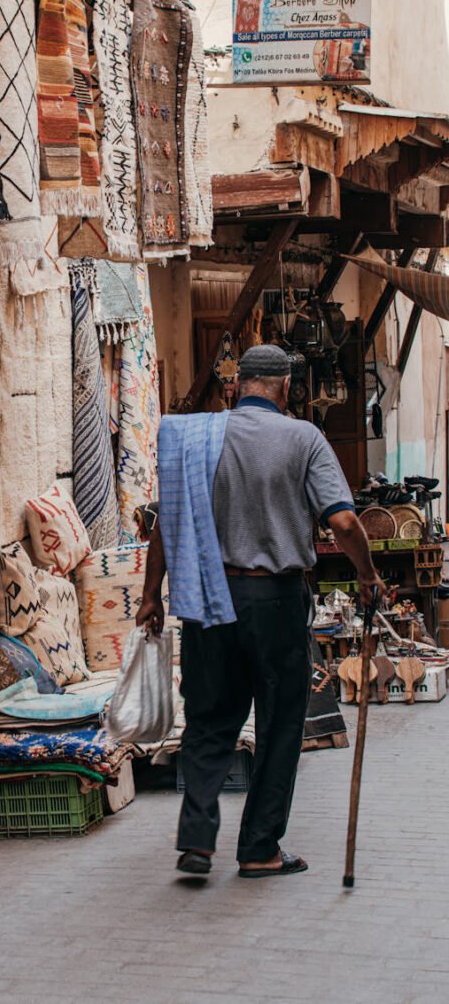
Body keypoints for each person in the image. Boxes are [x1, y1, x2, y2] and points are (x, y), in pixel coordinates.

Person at [136, 344, 385, 879]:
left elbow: (166, 522)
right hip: (273, 600)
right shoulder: (303, 438)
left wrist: (151, 593)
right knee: (279, 724)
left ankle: (198, 842)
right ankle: (259, 850)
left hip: (207, 596)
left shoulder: (196, 437)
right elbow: (343, 523)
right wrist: (367, 575)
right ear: (286, 388)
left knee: (208, 720)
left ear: (237, 386)